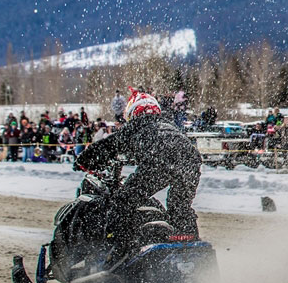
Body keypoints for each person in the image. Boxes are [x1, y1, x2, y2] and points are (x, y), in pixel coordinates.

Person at [74, 89, 203, 257]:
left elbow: (108, 146)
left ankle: (119, 250)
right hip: (190, 160)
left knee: (122, 202)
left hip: (159, 161)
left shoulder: (137, 125)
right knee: (179, 205)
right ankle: (188, 242)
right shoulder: (167, 124)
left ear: (134, 111)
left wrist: (83, 161)